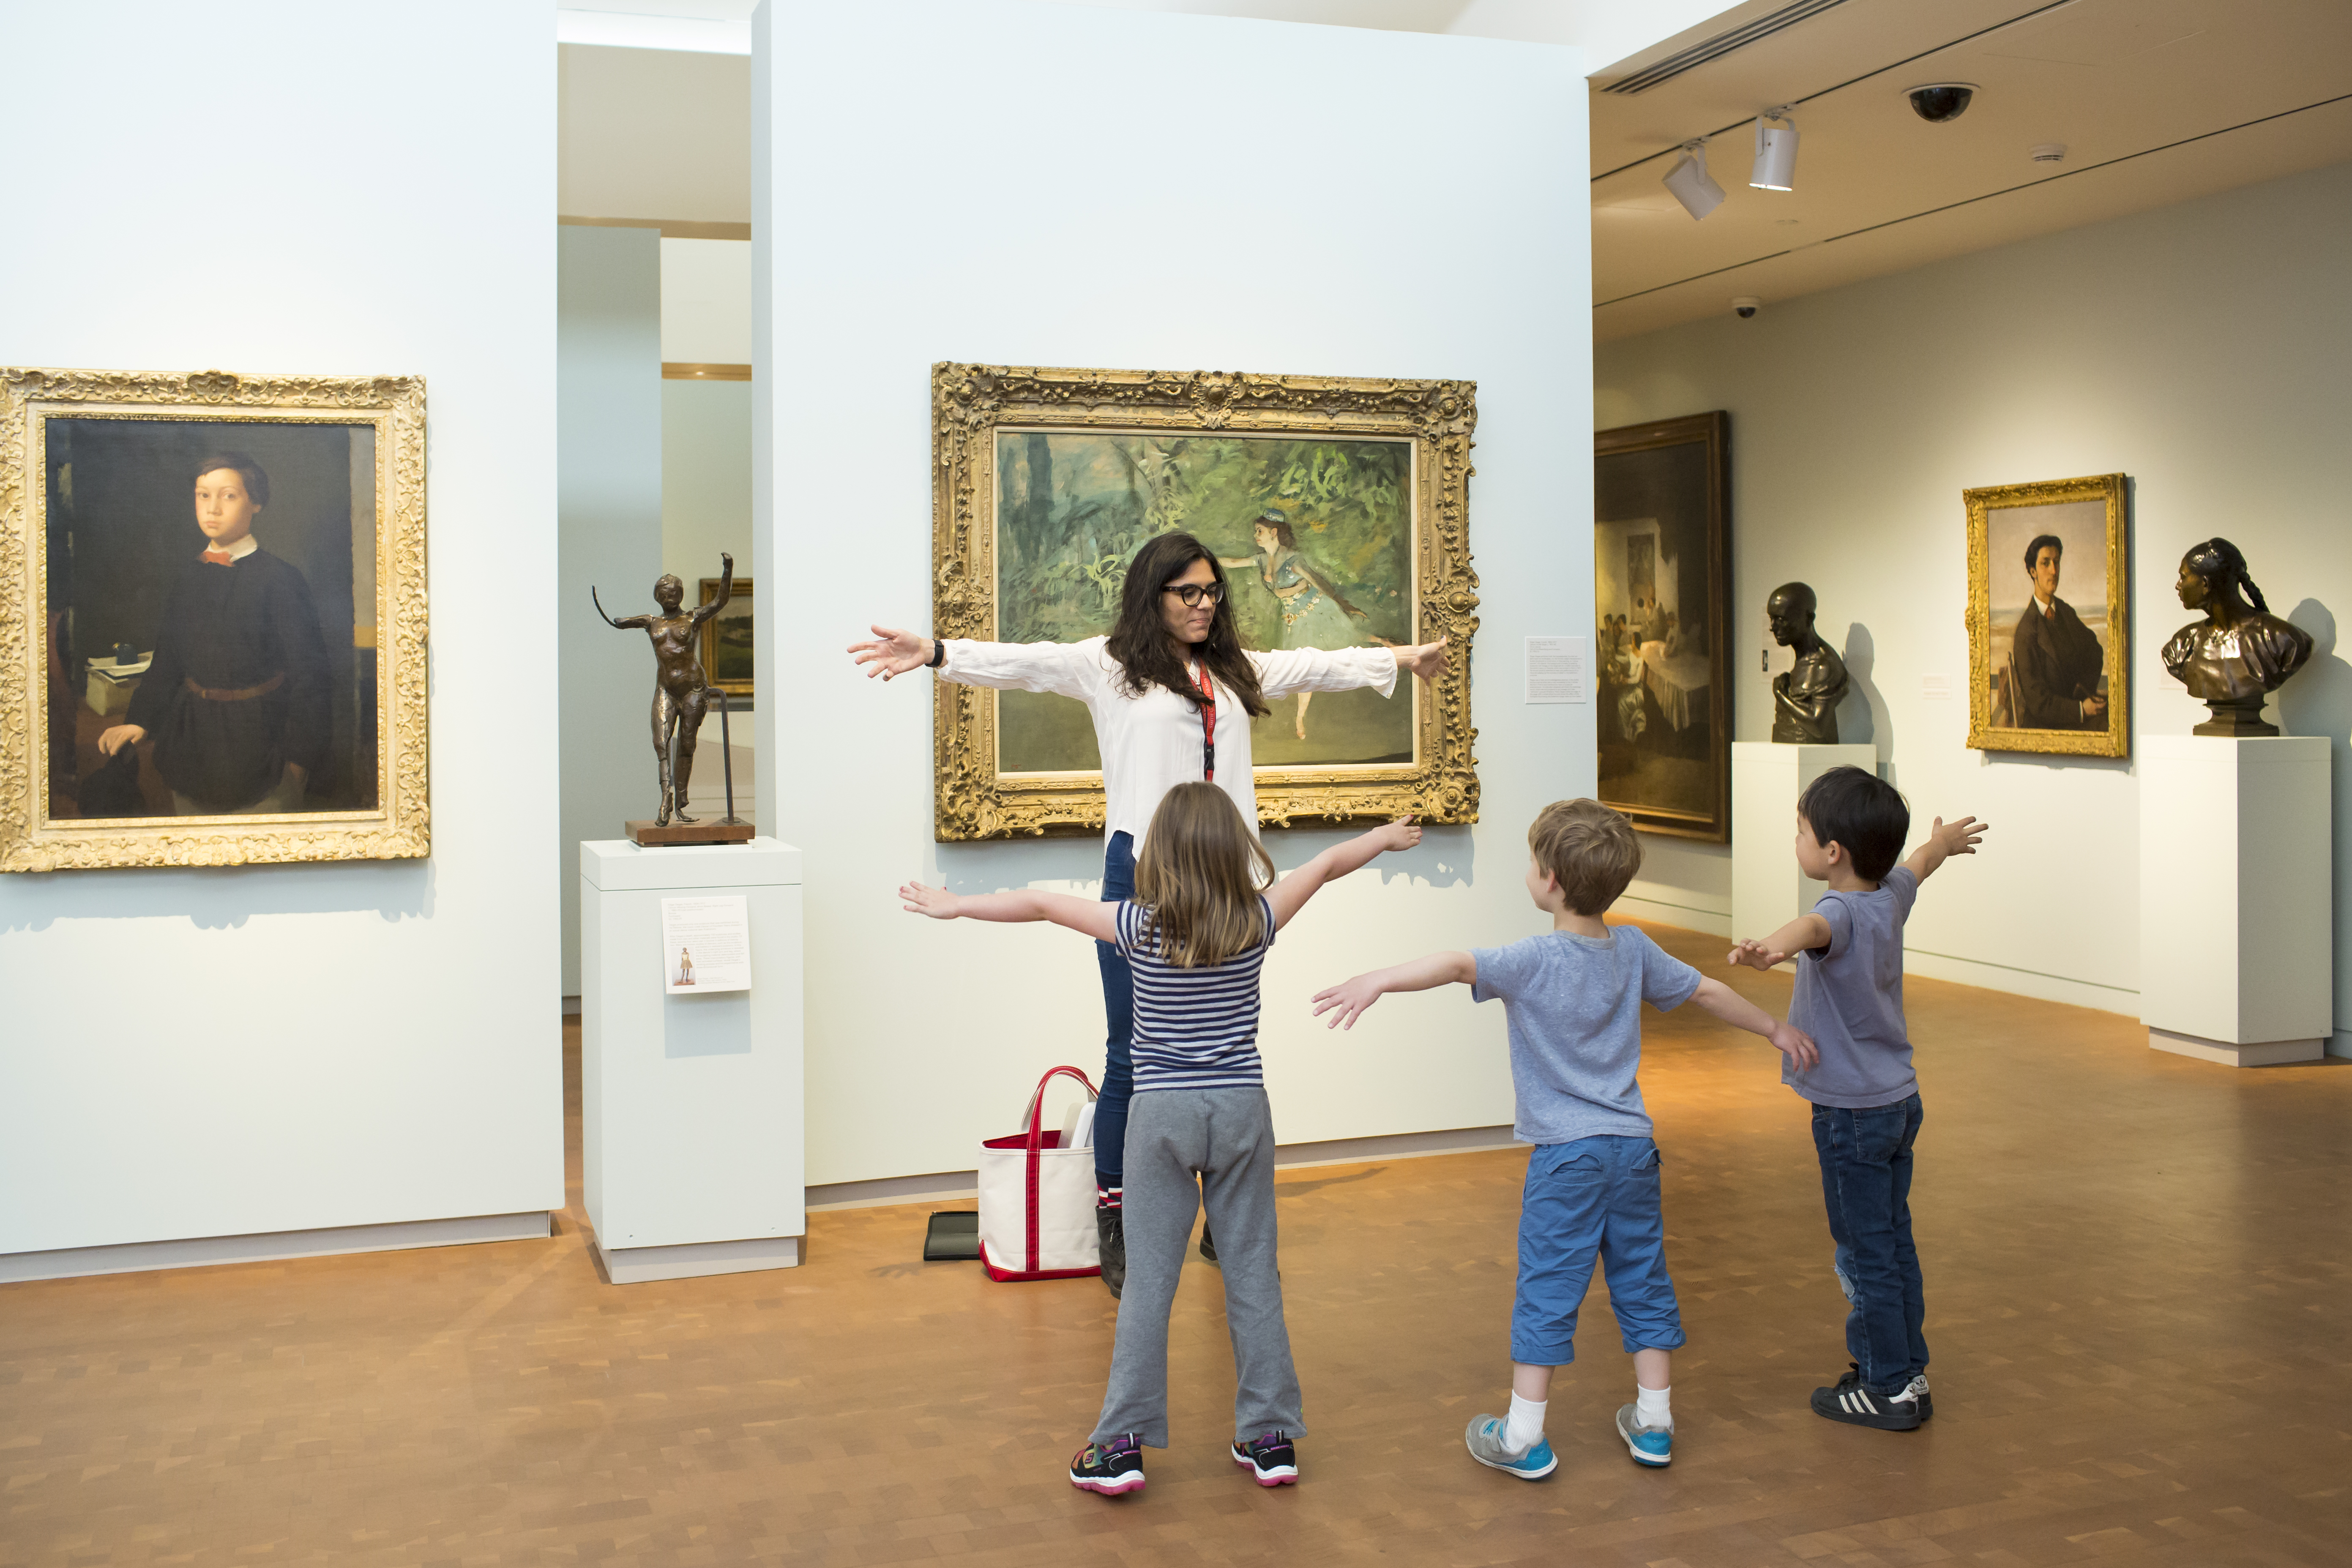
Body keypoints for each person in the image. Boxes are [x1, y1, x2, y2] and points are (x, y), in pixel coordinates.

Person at [851, 532, 1448, 1296]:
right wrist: (936, 653)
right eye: (1187, 593)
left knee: (1223, 1044)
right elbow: (1024, 661)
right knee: (1135, 1048)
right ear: (1153, 595)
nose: (1204, 605)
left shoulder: (1233, 670)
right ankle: (1117, 1212)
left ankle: (1221, 1219)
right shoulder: (1109, 667)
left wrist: (1401, 659)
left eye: (1211, 593)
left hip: (1228, 875)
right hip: (1140, 870)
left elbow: (1318, 666)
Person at [899, 784, 1425, 1496]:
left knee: (1150, 1282)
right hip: (1242, 1110)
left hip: (1161, 1116)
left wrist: (957, 905)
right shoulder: (1257, 919)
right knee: (1252, 1274)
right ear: (1231, 848)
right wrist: (1385, 839)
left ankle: (1119, 1447)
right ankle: (1270, 1439)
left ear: (1162, 855)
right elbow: (1328, 863)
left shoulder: (1136, 926)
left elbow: (1043, 903)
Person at [1308, 800, 1820, 1476]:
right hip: (1633, 1150)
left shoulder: (1533, 958)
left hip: (1566, 1158)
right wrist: (1775, 1028)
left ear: (1549, 879)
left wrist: (1377, 978)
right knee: (1642, 1279)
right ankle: (1655, 1423)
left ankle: (1522, 1435)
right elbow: (1705, 993)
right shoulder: (1634, 949)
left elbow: (1456, 964)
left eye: (1530, 860)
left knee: (1549, 1287)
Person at [1728, 767, 1987, 1431]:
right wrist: (1944, 843)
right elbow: (1919, 863)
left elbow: (1808, 930)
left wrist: (1766, 951)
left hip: (1851, 1114)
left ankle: (1886, 1384)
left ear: (1832, 852)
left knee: (1862, 1249)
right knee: (1892, 1239)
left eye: (1801, 833)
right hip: (1898, 1101)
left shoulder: (1840, 910)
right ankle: (1905, 1365)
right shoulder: (1890, 893)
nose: (1797, 842)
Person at [97, 453, 331, 815]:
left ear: (256, 503)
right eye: (203, 495)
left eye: (229, 496)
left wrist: (298, 761)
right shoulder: (187, 577)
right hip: (193, 744)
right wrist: (139, 719)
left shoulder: (281, 579)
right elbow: (167, 664)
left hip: (261, 749)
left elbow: (311, 679)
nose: (213, 508)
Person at [593, 554, 733, 827]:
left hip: (693, 688)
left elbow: (721, 602)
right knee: (661, 743)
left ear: (680, 594)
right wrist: (616, 620)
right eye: (664, 593)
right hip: (666, 689)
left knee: (686, 744)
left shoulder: (693, 618)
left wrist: (727, 570)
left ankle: (680, 800)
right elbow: (622, 621)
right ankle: (664, 800)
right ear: (658, 596)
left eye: (674, 592)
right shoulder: (651, 622)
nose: (670, 597)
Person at [1221, 508, 1379, 740]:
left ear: (1274, 532)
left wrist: (1344, 604)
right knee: (1304, 664)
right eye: (1256, 531)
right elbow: (1233, 562)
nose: (1256, 535)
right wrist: (1203, 556)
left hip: (1314, 611)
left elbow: (1318, 581)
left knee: (1342, 643)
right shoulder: (1261, 559)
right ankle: (1300, 718)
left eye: (1260, 531)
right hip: (1293, 617)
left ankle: (1382, 642)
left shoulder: (1293, 559)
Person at [2161, 536, 2313, 735]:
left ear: (2206, 584)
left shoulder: (2284, 640)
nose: (2178, 586)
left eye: (2184, 577)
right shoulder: (2181, 645)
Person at [2009, 534, 2107, 730]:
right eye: (2046, 563)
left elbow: (2095, 650)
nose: (2054, 571)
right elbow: (2039, 703)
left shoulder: (2065, 611)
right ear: (2033, 571)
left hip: (2076, 713)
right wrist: (2080, 709)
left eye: (2057, 562)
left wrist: (2085, 694)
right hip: (2046, 727)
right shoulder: (2026, 632)